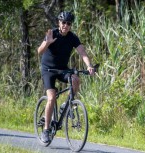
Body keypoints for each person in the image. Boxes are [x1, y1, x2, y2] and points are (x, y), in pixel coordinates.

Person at [37, 11, 94, 143]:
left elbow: (82, 52)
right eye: (63, 22)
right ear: (59, 23)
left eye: (69, 23)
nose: (66, 25)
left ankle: (65, 105)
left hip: (62, 69)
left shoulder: (72, 37)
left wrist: (89, 66)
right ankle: (46, 130)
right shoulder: (52, 33)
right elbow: (39, 51)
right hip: (48, 69)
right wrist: (47, 42)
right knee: (51, 98)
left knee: (76, 79)